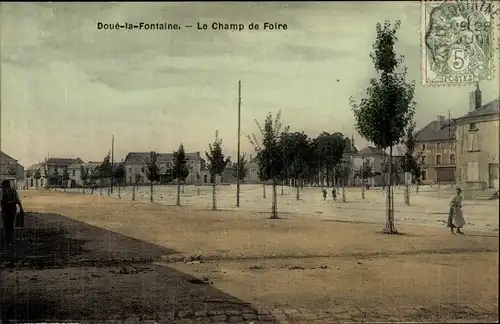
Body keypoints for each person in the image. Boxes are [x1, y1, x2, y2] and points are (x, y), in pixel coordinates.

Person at [1, 179, 23, 256]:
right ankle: (11, 238)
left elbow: (1, 200)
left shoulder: (2, 191)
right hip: (13, 209)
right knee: (11, 223)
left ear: (4, 185)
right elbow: (18, 200)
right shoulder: (14, 190)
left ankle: (7, 240)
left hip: (6, 209)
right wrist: (21, 208)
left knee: (6, 224)